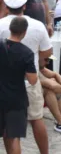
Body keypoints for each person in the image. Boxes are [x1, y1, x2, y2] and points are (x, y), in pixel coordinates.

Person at [0, 0, 52, 154]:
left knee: (11, 129)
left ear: (5, 6)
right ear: (24, 6)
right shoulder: (37, 25)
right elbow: (47, 52)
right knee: (36, 119)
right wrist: (39, 62)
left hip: (5, 84)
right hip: (30, 80)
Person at [0, 16, 38, 154]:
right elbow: (32, 79)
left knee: (5, 134)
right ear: (24, 32)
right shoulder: (26, 53)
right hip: (16, 99)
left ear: (10, 29)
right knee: (14, 135)